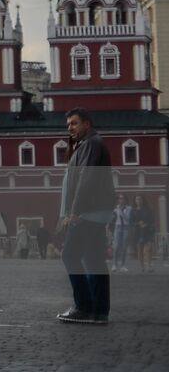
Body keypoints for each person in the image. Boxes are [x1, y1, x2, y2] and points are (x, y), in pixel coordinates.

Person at [57, 107, 114, 323]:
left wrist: (75, 211)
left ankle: (83, 307)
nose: (70, 128)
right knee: (93, 259)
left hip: (88, 212)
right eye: (68, 124)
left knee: (70, 255)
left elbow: (86, 180)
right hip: (93, 211)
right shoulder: (89, 144)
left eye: (74, 123)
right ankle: (98, 312)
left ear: (86, 124)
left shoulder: (91, 144)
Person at [111, 194, 132, 272]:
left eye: (122, 198)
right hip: (118, 227)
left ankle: (123, 265)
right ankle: (114, 265)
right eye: (120, 198)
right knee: (116, 247)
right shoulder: (115, 209)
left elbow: (127, 219)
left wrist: (120, 211)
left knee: (124, 247)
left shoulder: (129, 208)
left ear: (125, 199)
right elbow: (113, 219)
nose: (121, 200)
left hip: (126, 228)